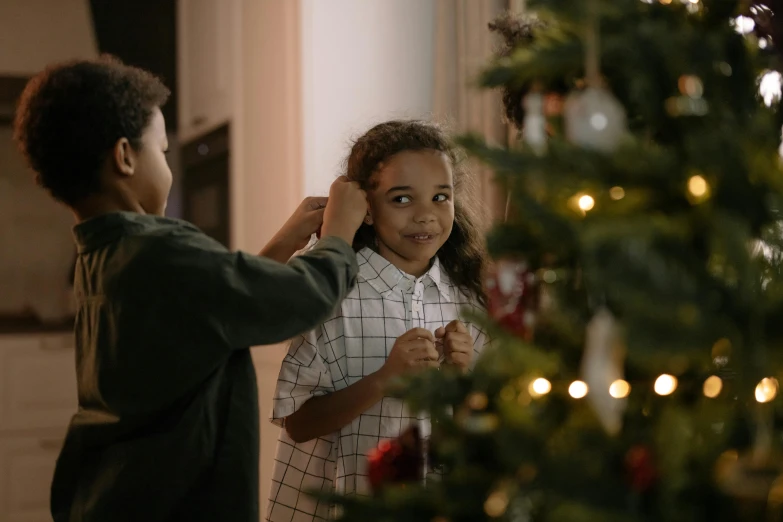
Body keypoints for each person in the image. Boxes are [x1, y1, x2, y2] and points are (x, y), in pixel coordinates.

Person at [12, 55, 367, 522]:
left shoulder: (103, 255)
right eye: (161, 150)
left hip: (115, 494)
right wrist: (340, 233)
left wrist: (285, 242)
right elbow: (300, 299)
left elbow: (215, 307)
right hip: (178, 501)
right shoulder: (161, 250)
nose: (169, 166)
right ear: (124, 157)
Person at [266, 120, 491, 521]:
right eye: (402, 200)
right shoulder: (332, 293)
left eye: (441, 197)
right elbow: (298, 423)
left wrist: (461, 381)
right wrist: (384, 379)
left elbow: (477, 435)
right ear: (365, 210)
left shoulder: (469, 299)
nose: (426, 216)